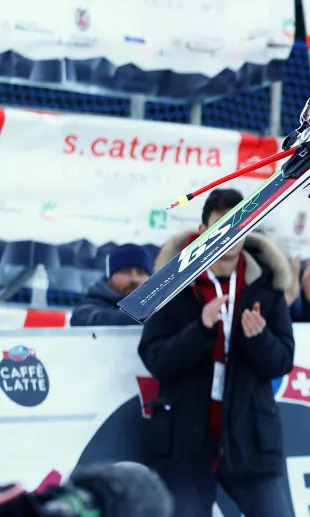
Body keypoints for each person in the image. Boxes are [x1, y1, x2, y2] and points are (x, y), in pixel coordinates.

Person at [137, 188, 296, 517]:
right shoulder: (172, 284)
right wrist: (202, 330)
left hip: (249, 439)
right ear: (203, 232)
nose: (230, 236)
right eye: (221, 226)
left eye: (238, 225)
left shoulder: (266, 285)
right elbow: (155, 358)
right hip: (185, 443)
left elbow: (282, 361)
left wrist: (259, 338)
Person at [70, 243, 151, 326]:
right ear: (109, 278)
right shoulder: (93, 302)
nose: (134, 279)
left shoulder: (157, 304)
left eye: (141, 273)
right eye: (125, 272)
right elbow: (86, 319)